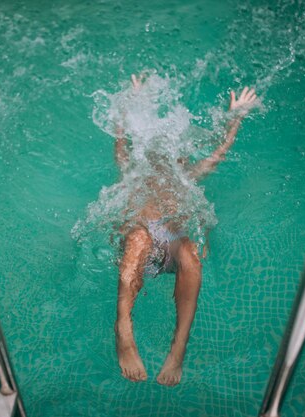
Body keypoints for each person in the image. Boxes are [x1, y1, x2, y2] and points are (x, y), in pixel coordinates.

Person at [113, 74, 257, 386]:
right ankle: (124, 330)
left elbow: (219, 153)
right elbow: (120, 142)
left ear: (182, 157)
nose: (167, 156)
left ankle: (178, 347)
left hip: (172, 250)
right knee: (138, 236)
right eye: (158, 150)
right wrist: (129, 104)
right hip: (136, 249)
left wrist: (236, 118)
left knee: (191, 251)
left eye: (175, 152)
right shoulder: (134, 170)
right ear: (147, 151)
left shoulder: (188, 176)